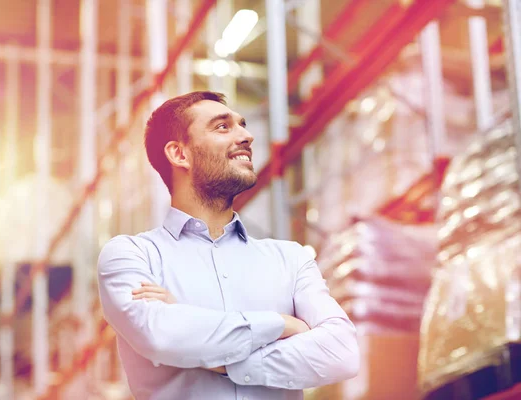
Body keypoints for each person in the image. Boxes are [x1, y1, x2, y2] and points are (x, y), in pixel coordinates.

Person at [97, 91, 359, 400]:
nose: (246, 136)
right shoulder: (131, 256)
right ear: (179, 154)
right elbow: (162, 338)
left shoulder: (291, 259)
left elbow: (342, 353)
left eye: (242, 125)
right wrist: (283, 325)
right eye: (223, 127)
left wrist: (209, 349)